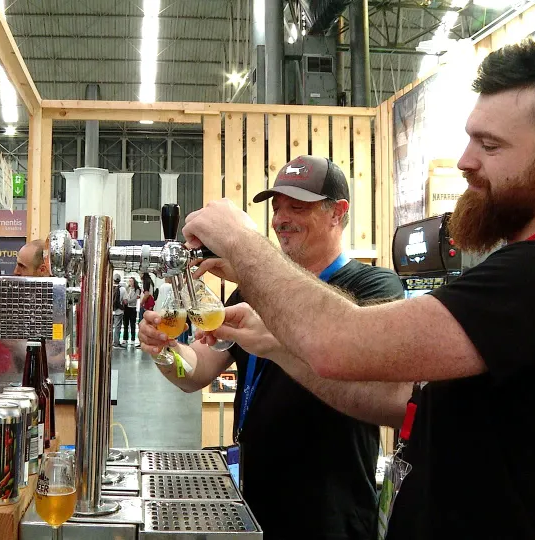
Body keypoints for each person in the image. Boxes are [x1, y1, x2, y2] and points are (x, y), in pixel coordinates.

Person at [181, 41, 535, 539]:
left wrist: (243, 241)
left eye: (490, 145)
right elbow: (402, 400)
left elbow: (339, 343)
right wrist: (270, 343)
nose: (464, 161)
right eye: (470, 141)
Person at [140, 156, 407, 539]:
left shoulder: (376, 288)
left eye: (297, 206)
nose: (281, 219)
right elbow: (197, 371)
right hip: (255, 503)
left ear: (338, 213)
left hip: (332, 513)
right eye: (277, 207)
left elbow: (359, 368)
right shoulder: (254, 289)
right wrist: (165, 350)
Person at [122, 276, 140, 346]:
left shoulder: (137, 289)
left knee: (132, 324)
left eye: (131, 281)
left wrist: (127, 301)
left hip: (132, 308)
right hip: (126, 308)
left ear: (134, 282)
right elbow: (125, 296)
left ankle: (132, 339)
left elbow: (135, 298)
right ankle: (125, 339)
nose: (130, 282)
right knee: (126, 324)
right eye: (129, 281)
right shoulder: (127, 288)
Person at [112, 273, 125, 348]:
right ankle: (116, 343)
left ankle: (108, 342)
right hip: (119, 311)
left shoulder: (108, 287)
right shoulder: (122, 289)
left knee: (109, 327)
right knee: (117, 327)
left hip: (110, 311)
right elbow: (125, 300)